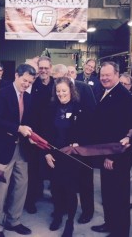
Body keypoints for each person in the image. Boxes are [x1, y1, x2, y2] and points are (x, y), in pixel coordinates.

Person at [0, 63, 36, 237]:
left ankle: (14, 220)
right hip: (2, 149)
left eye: (29, 82)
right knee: (0, 190)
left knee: (21, 186)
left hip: (22, 149)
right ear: (16, 75)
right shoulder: (3, 94)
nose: (26, 84)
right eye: (24, 80)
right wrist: (18, 128)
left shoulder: (28, 98)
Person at [45, 77, 93, 237]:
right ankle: (58, 215)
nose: (61, 94)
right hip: (54, 156)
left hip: (72, 157)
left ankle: (69, 222)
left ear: (71, 91)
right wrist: (46, 152)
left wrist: (79, 142)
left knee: (70, 190)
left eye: (64, 91)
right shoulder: (51, 108)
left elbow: (87, 131)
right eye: (58, 91)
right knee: (56, 188)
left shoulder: (80, 108)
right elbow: (46, 133)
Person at [91, 61, 132, 237]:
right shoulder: (107, 92)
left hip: (116, 156)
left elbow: (124, 129)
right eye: (102, 75)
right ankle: (110, 224)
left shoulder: (123, 97)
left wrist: (112, 156)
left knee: (119, 196)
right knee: (108, 193)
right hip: (105, 153)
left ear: (117, 74)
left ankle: (120, 232)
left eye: (108, 75)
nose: (104, 78)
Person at [25, 56, 54, 214]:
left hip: (54, 134)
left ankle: (57, 198)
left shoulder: (57, 84)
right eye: (40, 68)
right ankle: (31, 200)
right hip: (35, 134)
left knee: (54, 168)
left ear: (51, 68)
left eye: (46, 67)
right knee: (33, 170)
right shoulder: (32, 85)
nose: (43, 70)